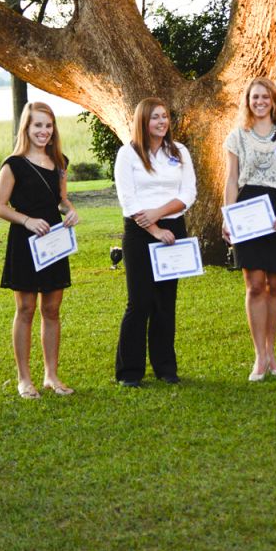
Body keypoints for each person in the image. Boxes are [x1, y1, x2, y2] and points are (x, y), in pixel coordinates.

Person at [222, 77, 276, 381]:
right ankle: (259, 356)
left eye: (265, 97)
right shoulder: (237, 136)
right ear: (248, 101)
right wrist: (227, 217)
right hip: (247, 209)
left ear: (273, 101)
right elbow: (231, 179)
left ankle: (272, 354)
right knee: (255, 284)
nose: (259, 101)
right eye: (254, 97)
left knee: (273, 284)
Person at [0, 101, 79, 398]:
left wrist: (70, 211)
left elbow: (62, 199)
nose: (44, 131)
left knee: (52, 309)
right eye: (38, 125)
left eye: (48, 125)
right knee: (26, 309)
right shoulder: (13, 164)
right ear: (26, 129)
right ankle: (24, 379)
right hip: (25, 240)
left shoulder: (60, 162)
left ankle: (51, 376)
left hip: (54, 240)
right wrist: (27, 220)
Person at [113, 98, 197, 387]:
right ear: (143, 122)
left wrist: (160, 217)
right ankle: (129, 372)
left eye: (164, 116)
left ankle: (165, 367)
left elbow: (188, 194)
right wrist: (154, 229)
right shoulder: (128, 154)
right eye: (155, 118)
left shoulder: (179, 151)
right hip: (139, 232)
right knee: (139, 302)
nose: (162, 122)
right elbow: (129, 200)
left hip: (172, 228)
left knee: (165, 301)